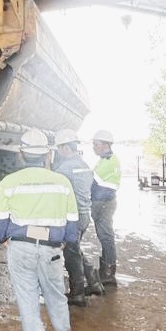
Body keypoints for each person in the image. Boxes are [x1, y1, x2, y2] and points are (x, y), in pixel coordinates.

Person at [0, 128, 79, 331]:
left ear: (21, 154)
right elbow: (72, 222)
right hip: (52, 250)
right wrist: (63, 242)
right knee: (57, 296)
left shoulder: (9, 182)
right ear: (46, 155)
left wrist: (4, 239)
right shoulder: (62, 183)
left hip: (21, 248)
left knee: (28, 299)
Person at [52, 129, 104, 306]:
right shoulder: (84, 165)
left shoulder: (65, 168)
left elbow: (55, 191)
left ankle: (77, 293)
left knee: (71, 255)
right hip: (84, 215)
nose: (58, 151)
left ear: (66, 148)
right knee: (75, 249)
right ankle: (94, 282)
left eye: (59, 148)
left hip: (73, 218)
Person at [91, 129, 121, 286]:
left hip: (103, 203)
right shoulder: (108, 159)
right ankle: (106, 270)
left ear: (105, 145)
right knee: (105, 236)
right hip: (106, 201)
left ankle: (108, 273)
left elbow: (90, 181)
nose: (94, 147)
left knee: (106, 236)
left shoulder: (108, 161)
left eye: (96, 144)